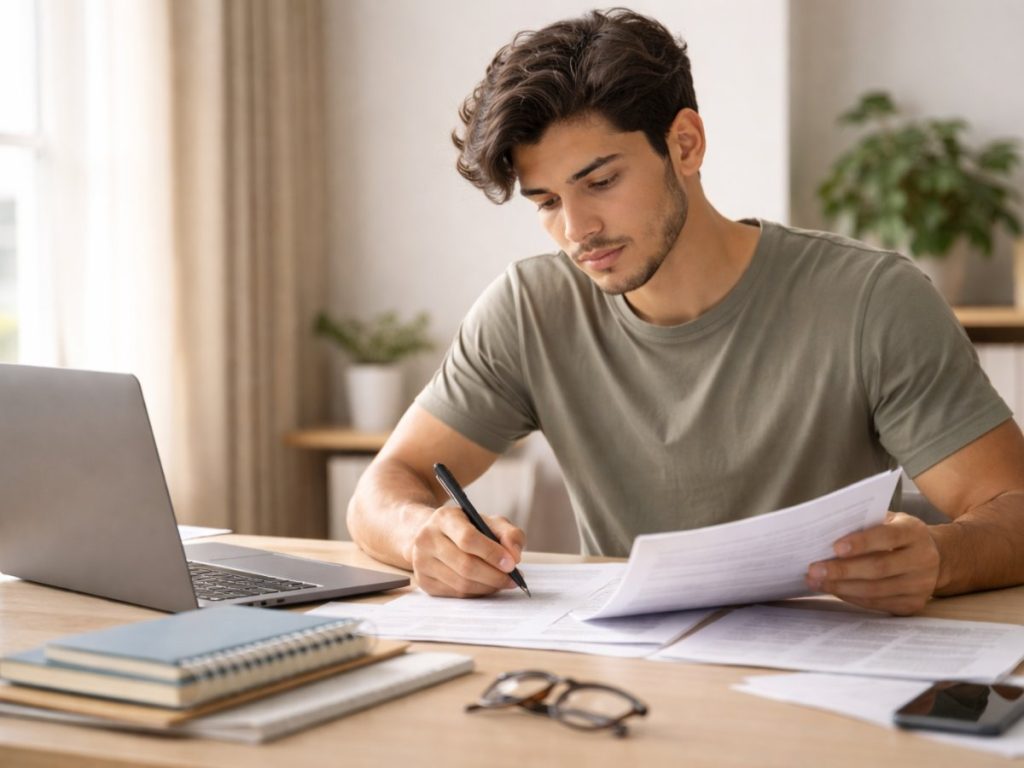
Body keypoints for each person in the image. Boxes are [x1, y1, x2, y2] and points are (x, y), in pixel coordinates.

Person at [347, 8, 1024, 615]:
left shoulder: (873, 300)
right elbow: (383, 488)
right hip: (634, 678)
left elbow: (1012, 509)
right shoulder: (530, 310)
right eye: (547, 202)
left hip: (831, 665)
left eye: (601, 181)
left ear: (686, 144)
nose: (576, 230)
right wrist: (423, 534)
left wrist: (940, 557)